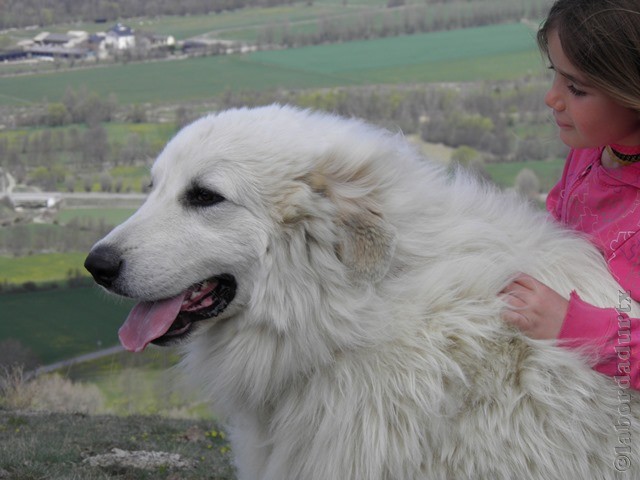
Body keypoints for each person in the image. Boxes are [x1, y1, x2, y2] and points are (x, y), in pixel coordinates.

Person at [501, 0, 640, 390]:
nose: (552, 98)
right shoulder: (593, 149)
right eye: (555, 75)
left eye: (576, 88)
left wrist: (570, 325)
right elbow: (562, 216)